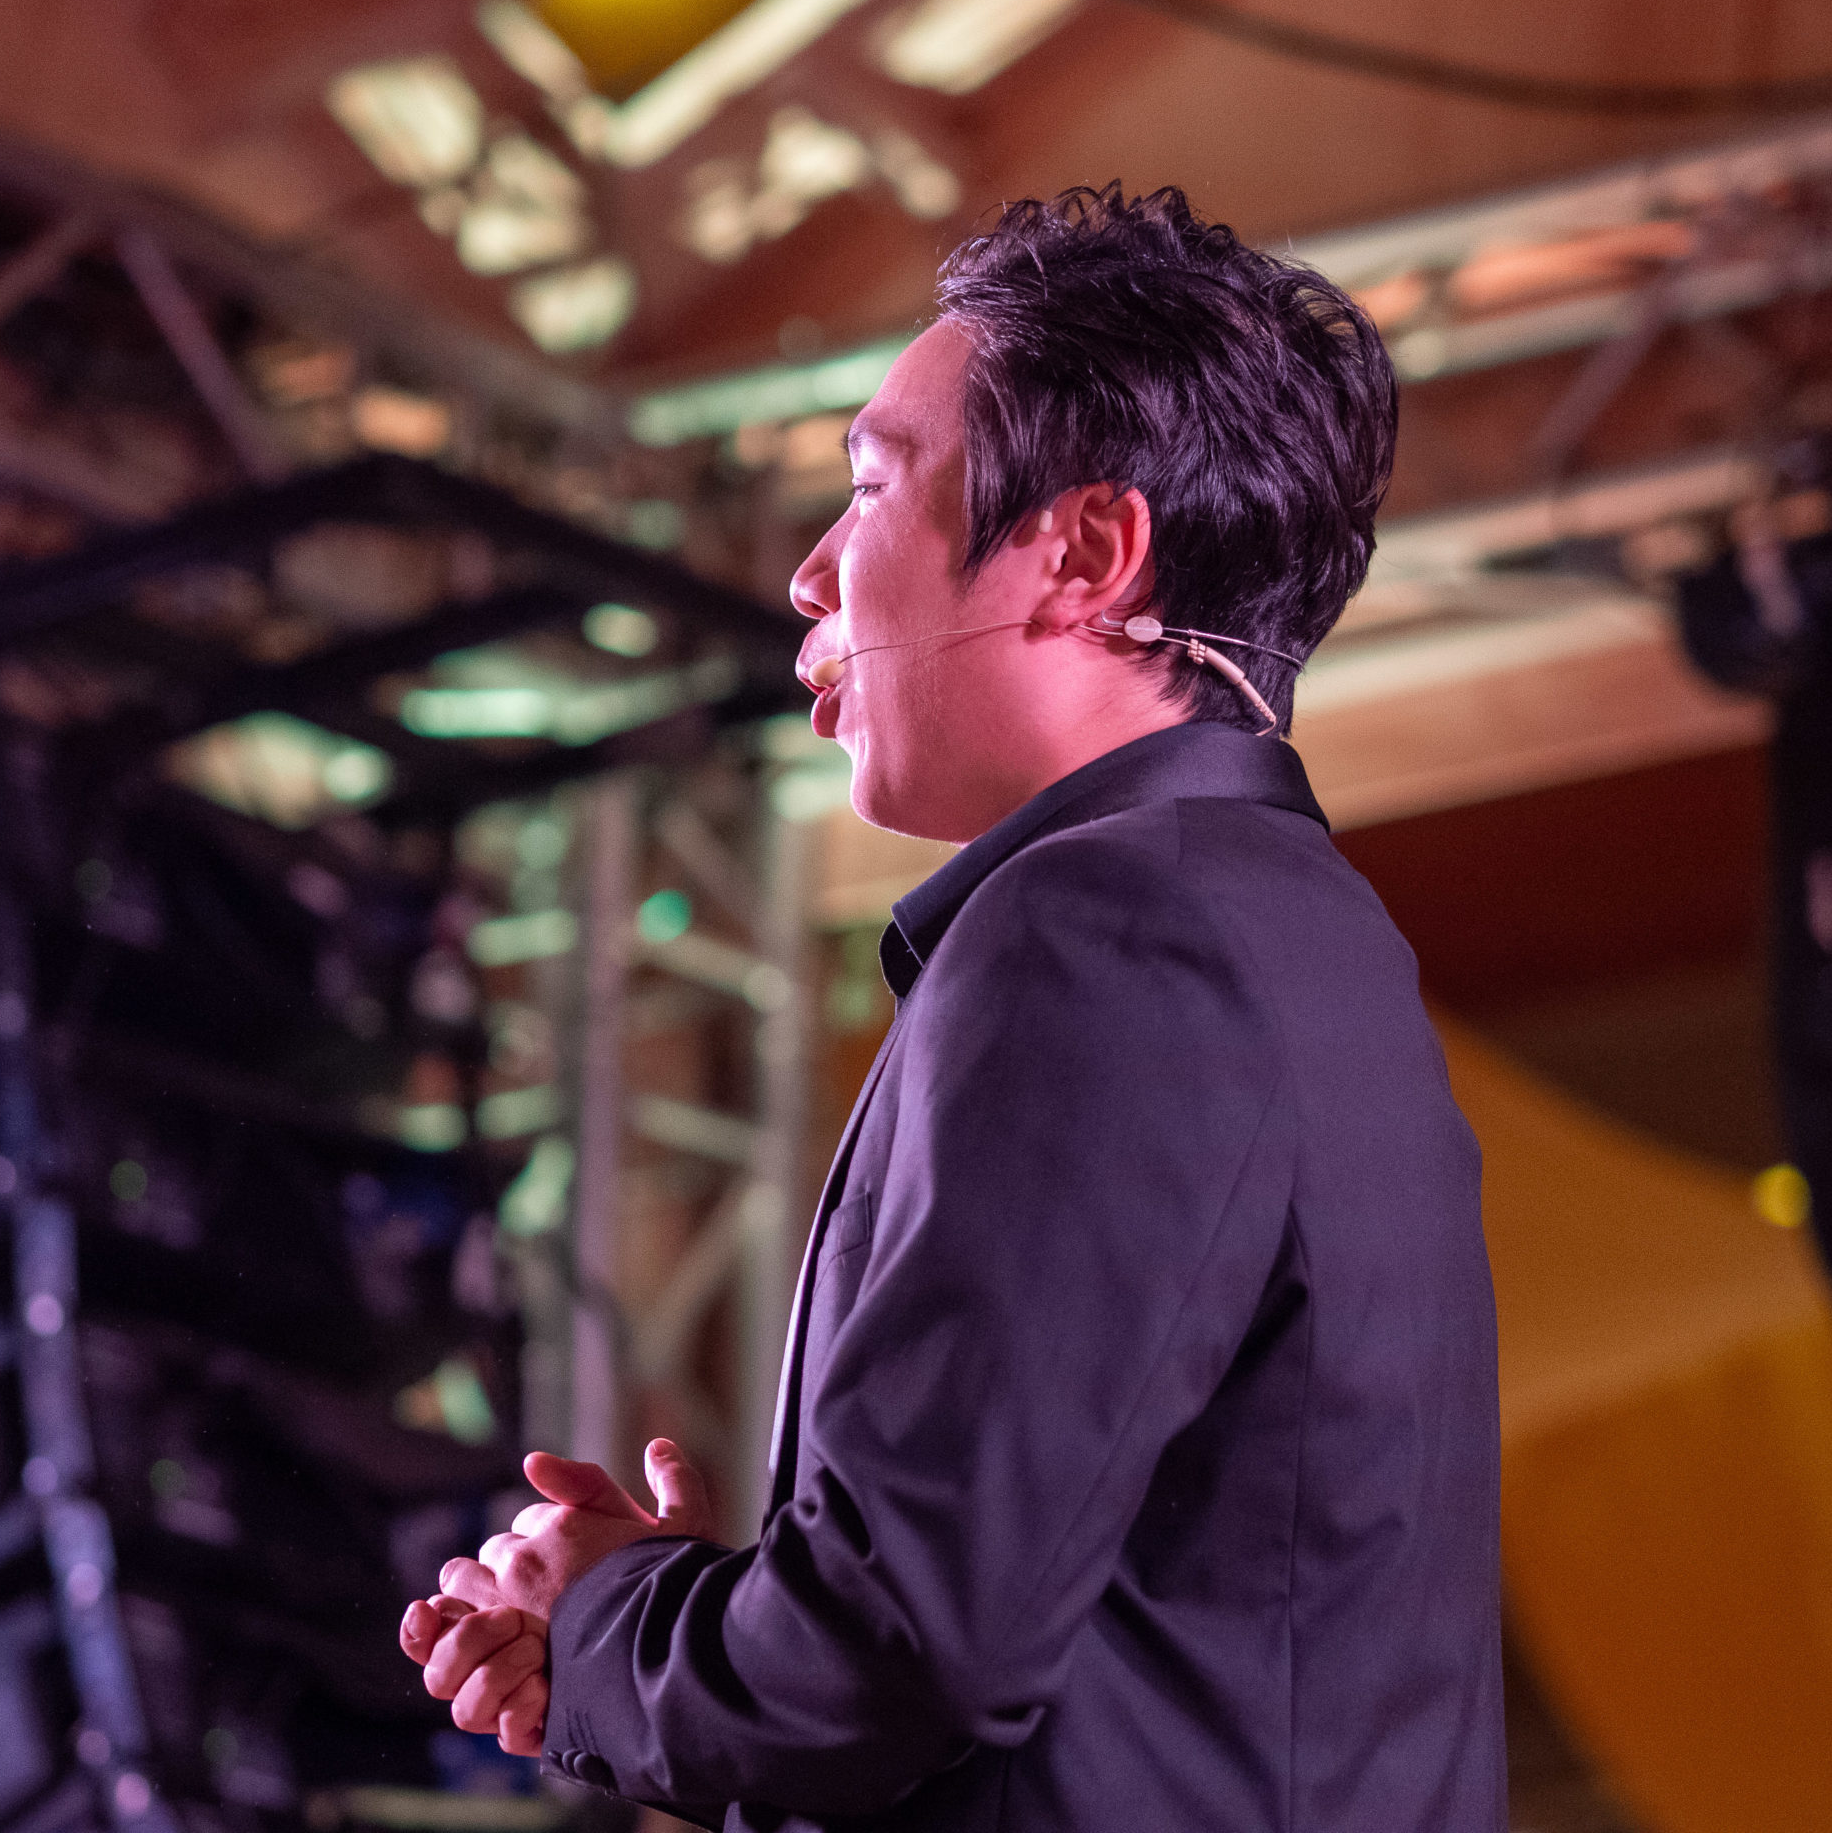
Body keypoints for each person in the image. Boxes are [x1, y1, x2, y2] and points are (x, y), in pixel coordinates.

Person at [400, 184, 1504, 1831]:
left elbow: (901, 1644)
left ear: (1087, 553)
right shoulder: (1304, 935)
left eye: (869, 488)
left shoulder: (1102, 937)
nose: (809, 575)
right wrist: (671, 1628)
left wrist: (606, 1618)